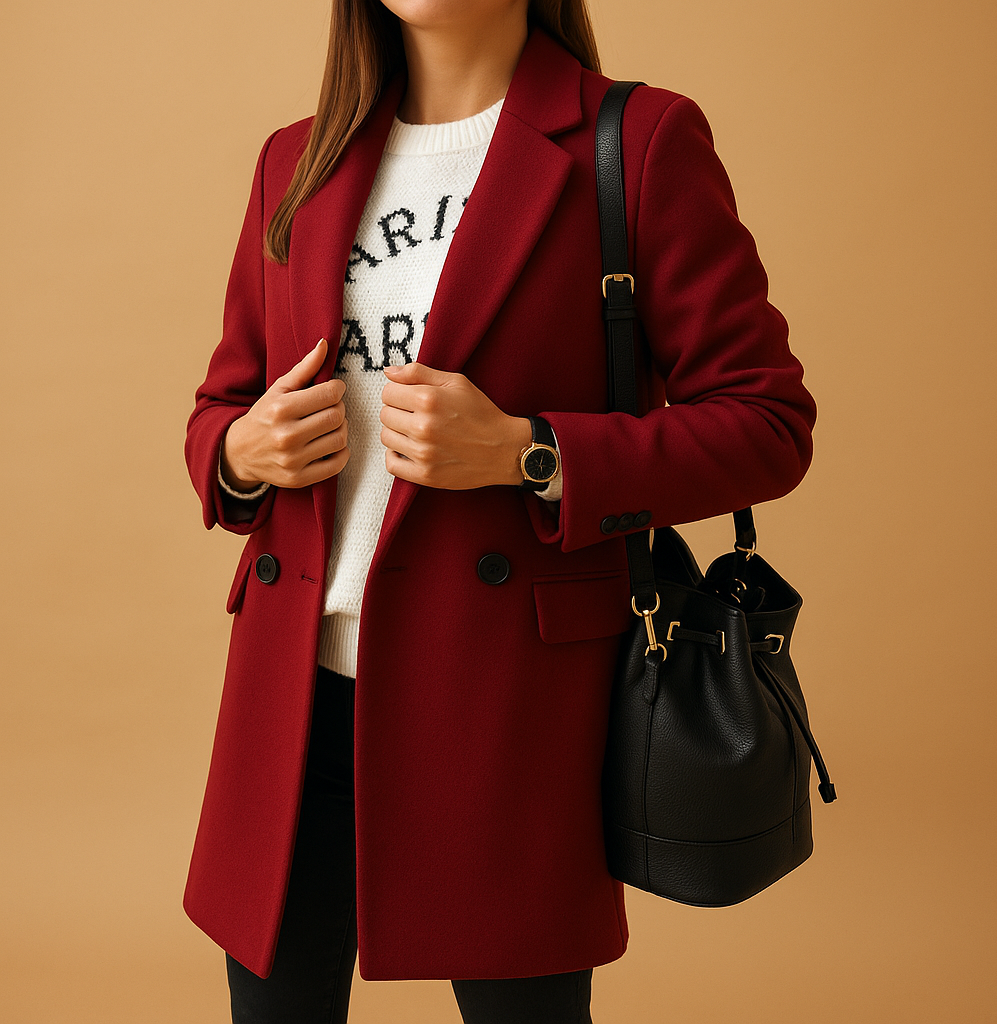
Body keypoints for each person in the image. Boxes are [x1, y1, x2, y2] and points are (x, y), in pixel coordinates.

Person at [182, 1, 817, 1021]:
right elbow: (223, 405)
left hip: (505, 704)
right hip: (296, 697)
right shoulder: (295, 161)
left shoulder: (638, 141)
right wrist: (239, 452)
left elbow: (767, 422)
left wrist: (531, 451)